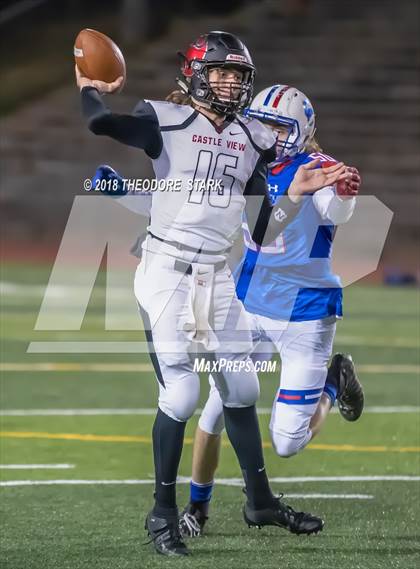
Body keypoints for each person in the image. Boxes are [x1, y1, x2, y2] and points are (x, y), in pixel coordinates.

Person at [77, 33, 350, 556]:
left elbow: (262, 228)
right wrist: (90, 87)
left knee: (243, 391)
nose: (230, 82)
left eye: (238, 74)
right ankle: (161, 515)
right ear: (197, 73)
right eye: (221, 71)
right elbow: (99, 123)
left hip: (215, 276)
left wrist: (292, 193)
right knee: (182, 395)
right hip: (166, 272)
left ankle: (260, 501)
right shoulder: (166, 118)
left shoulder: (251, 137)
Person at [178, 84, 364, 538]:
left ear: (301, 131)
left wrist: (342, 192)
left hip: (305, 314)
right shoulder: (245, 161)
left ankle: (332, 387)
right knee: (215, 408)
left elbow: (336, 210)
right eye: (262, 123)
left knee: (286, 443)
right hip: (250, 305)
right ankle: (197, 507)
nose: (267, 133)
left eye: (279, 126)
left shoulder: (316, 167)